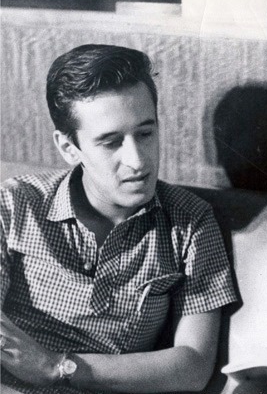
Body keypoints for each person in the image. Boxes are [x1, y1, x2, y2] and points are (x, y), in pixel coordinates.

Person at [0, 44, 237, 393]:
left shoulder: (190, 221)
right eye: (111, 143)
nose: (137, 161)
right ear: (69, 148)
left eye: (145, 133)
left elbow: (194, 365)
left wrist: (56, 366)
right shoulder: (15, 203)